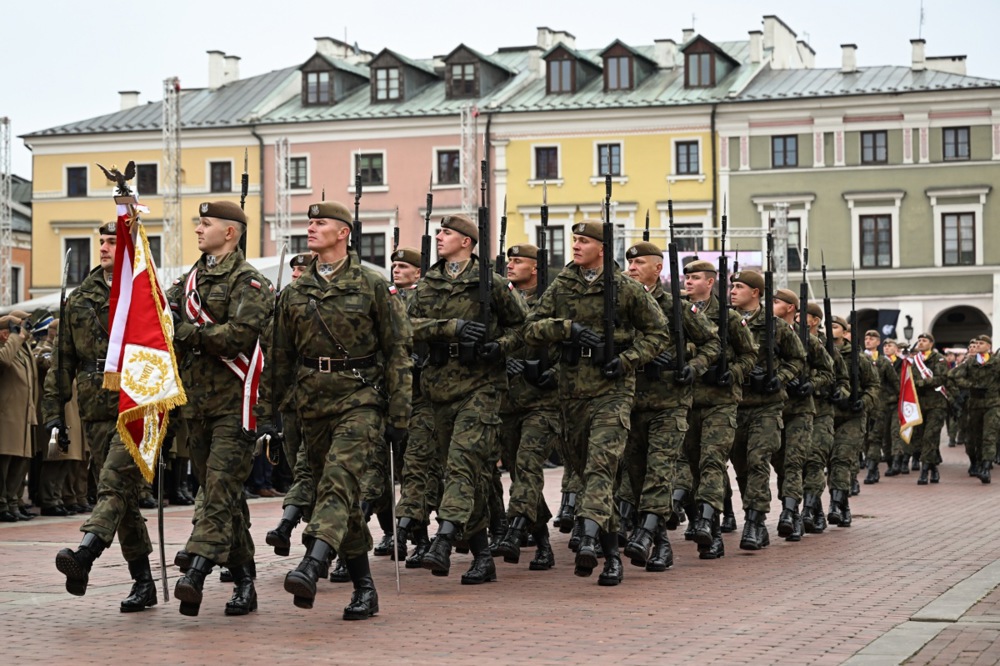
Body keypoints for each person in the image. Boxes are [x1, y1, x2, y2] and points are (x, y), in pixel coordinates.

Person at [262, 200, 411, 620]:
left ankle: (313, 561)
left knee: (338, 481)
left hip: (360, 399)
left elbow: (398, 351)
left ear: (343, 232)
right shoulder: (295, 292)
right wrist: (266, 413)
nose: (311, 228)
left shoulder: (371, 284)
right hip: (312, 404)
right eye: (308, 222)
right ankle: (365, 588)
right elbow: (278, 357)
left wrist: (399, 415)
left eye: (321, 222)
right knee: (339, 494)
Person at [524, 220, 669, 586]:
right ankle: (611, 553)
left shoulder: (624, 287)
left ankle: (588, 535)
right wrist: (567, 330)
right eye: (574, 240)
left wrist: (627, 360)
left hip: (612, 389)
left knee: (602, 467)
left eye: (583, 241)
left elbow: (659, 333)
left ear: (601, 248)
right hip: (571, 391)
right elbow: (531, 328)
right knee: (590, 471)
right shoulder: (563, 284)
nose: (575, 246)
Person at [167, 200, 274, 617]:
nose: (197, 228)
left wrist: (187, 333)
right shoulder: (188, 281)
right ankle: (245, 582)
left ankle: (196, 567)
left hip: (235, 406)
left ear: (230, 232)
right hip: (196, 407)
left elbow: (238, 337)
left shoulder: (250, 283)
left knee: (217, 491)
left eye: (206, 223)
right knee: (226, 496)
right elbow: (164, 316)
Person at [409, 214, 526, 585]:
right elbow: (404, 326)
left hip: (482, 387)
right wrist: (449, 328)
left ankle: (444, 538)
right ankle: (481, 554)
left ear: (467, 242)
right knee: (459, 473)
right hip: (438, 387)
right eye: (439, 232)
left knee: (462, 464)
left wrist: (499, 347)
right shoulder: (427, 284)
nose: (439, 237)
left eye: (446, 233)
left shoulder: (491, 285)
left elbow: (522, 327)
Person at [49, 220, 159, 612]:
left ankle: (85, 554)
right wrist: (54, 415)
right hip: (95, 410)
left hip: (136, 405)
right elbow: (63, 362)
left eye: (115, 241)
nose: (106, 247)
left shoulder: (144, 294)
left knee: (112, 485)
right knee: (123, 500)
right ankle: (144, 583)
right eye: (103, 241)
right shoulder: (80, 298)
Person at [619, 242, 720, 570]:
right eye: (629, 263)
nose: (632, 268)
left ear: (658, 269)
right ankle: (660, 542)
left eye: (640, 263)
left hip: (669, 402)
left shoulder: (675, 306)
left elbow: (713, 342)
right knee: (635, 475)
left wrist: (693, 366)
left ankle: (646, 533)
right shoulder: (619, 303)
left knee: (661, 469)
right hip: (629, 400)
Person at [679, 260, 757, 559]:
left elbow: (749, 355)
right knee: (693, 467)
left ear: (710, 283)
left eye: (695, 277)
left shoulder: (730, 317)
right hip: (687, 402)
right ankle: (709, 528)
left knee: (712, 462)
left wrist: (733, 372)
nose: (688, 281)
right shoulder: (679, 313)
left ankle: (706, 521)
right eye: (686, 276)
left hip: (721, 402)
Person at [494, 243, 561, 570]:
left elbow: (570, 344)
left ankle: (514, 526)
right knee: (520, 471)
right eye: (509, 260)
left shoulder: (552, 301)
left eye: (518, 261)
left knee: (528, 465)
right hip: (507, 403)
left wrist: (553, 372)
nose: (511, 265)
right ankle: (544, 542)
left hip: (543, 403)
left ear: (535, 268)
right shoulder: (500, 301)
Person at [728, 271, 805, 550]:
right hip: (734, 404)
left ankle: (755, 521)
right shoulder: (726, 323)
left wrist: (779, 377)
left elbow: (797, 358)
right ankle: (755, 516)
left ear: (756, 292)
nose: (733, 291)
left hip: (767, 406)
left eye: (739, 287)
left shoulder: (775, 326)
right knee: (741, 465)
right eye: (732, 286)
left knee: (759, 459)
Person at [772, 289, 834, 542]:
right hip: (774, 409)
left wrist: (812, 384)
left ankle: (793, 513)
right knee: (780, 465)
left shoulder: (809, 340)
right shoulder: (767, 333)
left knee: (797, 462)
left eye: (776, 302)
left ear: (790, 309)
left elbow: (829, 372)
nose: (770, 305)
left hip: (802, 410)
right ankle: (810, 507)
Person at [827, 316, 879, 525]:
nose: (830, 329)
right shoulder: (821, 352)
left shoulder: (859, 358)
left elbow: (873, 385)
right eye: (827, 326)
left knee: (841, 458)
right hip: (828, 414)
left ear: (845, 331)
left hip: (852, 416)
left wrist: (864, 401)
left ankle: (836, 504)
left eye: (835, 326)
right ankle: (843, 504)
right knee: (828, 461)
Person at [0, 312, 38, 522]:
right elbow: (4, 361)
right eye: (19, 327)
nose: (25, 331)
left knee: (19, 464)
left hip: (22, 416)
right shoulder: (6, 348)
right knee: (4, 464)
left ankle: (12, 503)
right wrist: (15, 336)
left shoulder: (22, 350)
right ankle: (2, 504)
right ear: (6, 332)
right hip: (7, 417)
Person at [947, 335, 998, 483]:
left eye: (982, 343)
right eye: (977, 343)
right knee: (974, 439)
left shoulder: (996, 362)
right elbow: (952, 375)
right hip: (974, 405)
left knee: (989, 436)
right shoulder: (970, 362)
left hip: (992, 404)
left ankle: (986, 468)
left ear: (989, 346)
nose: (979, 345)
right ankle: (976, 462)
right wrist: (970, 385)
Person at [909, 332, 949, 485]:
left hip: (936, 404)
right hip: (919, 405)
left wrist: (922, 383)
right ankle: (934, 468)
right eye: (919, 340)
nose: (920, 342)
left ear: (931, 343)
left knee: (930, 437)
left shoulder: (939, 359)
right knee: (920, 439)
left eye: (924, 340)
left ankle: (924, 471)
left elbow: (942, 378)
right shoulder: (913, 362)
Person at [862, 330, 899, 484]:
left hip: (879, 407)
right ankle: (873, 466)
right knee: (864, 438)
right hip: (862, 406)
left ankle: (871, 468)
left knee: (875, 438)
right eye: (866, 338)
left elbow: (895, 384)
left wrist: (890, 400)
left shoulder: (884, 362)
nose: (868, 341)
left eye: (872, 339)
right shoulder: (859, 359)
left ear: (878, 342)